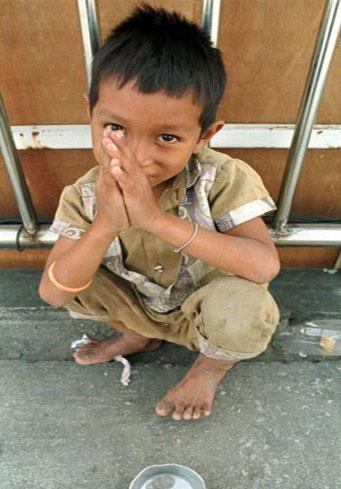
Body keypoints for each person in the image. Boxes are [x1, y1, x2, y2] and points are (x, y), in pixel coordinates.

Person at [39, 3, 281, 421]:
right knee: (77, 268)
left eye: (167, 137)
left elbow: (263, 268)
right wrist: (105, 226)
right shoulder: (84, 195)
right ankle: (137, 336)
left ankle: (210, 367)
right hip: (137, 306)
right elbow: (53, 292)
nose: (138, 156)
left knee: (247, 308)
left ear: (205, 135)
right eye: (115, 128)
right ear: (90, 115)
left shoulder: (221, 178)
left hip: (202, 312)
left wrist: (154, 219)